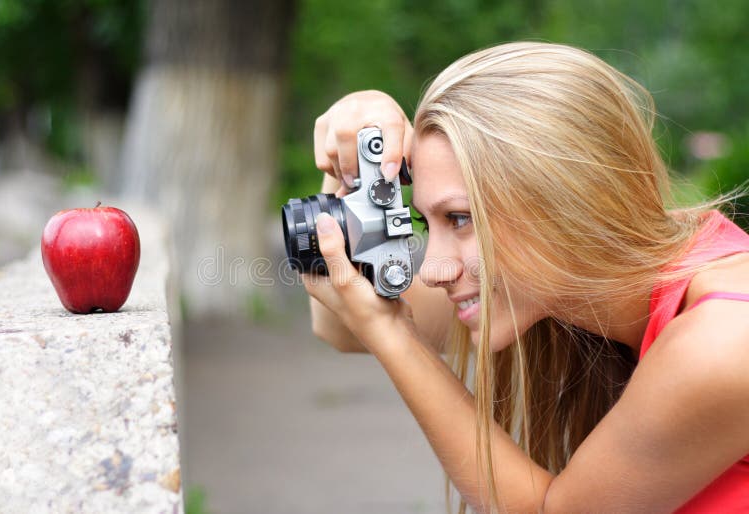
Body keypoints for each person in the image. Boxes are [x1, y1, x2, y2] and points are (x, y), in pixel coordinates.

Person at [302, 42, 749, 513]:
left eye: (459, 218)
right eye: (425, 224)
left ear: (565, 198)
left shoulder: (726, 340)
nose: (432, 268)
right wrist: (350, 170)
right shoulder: (572, 276)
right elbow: (337, 324)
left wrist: (391, 331)